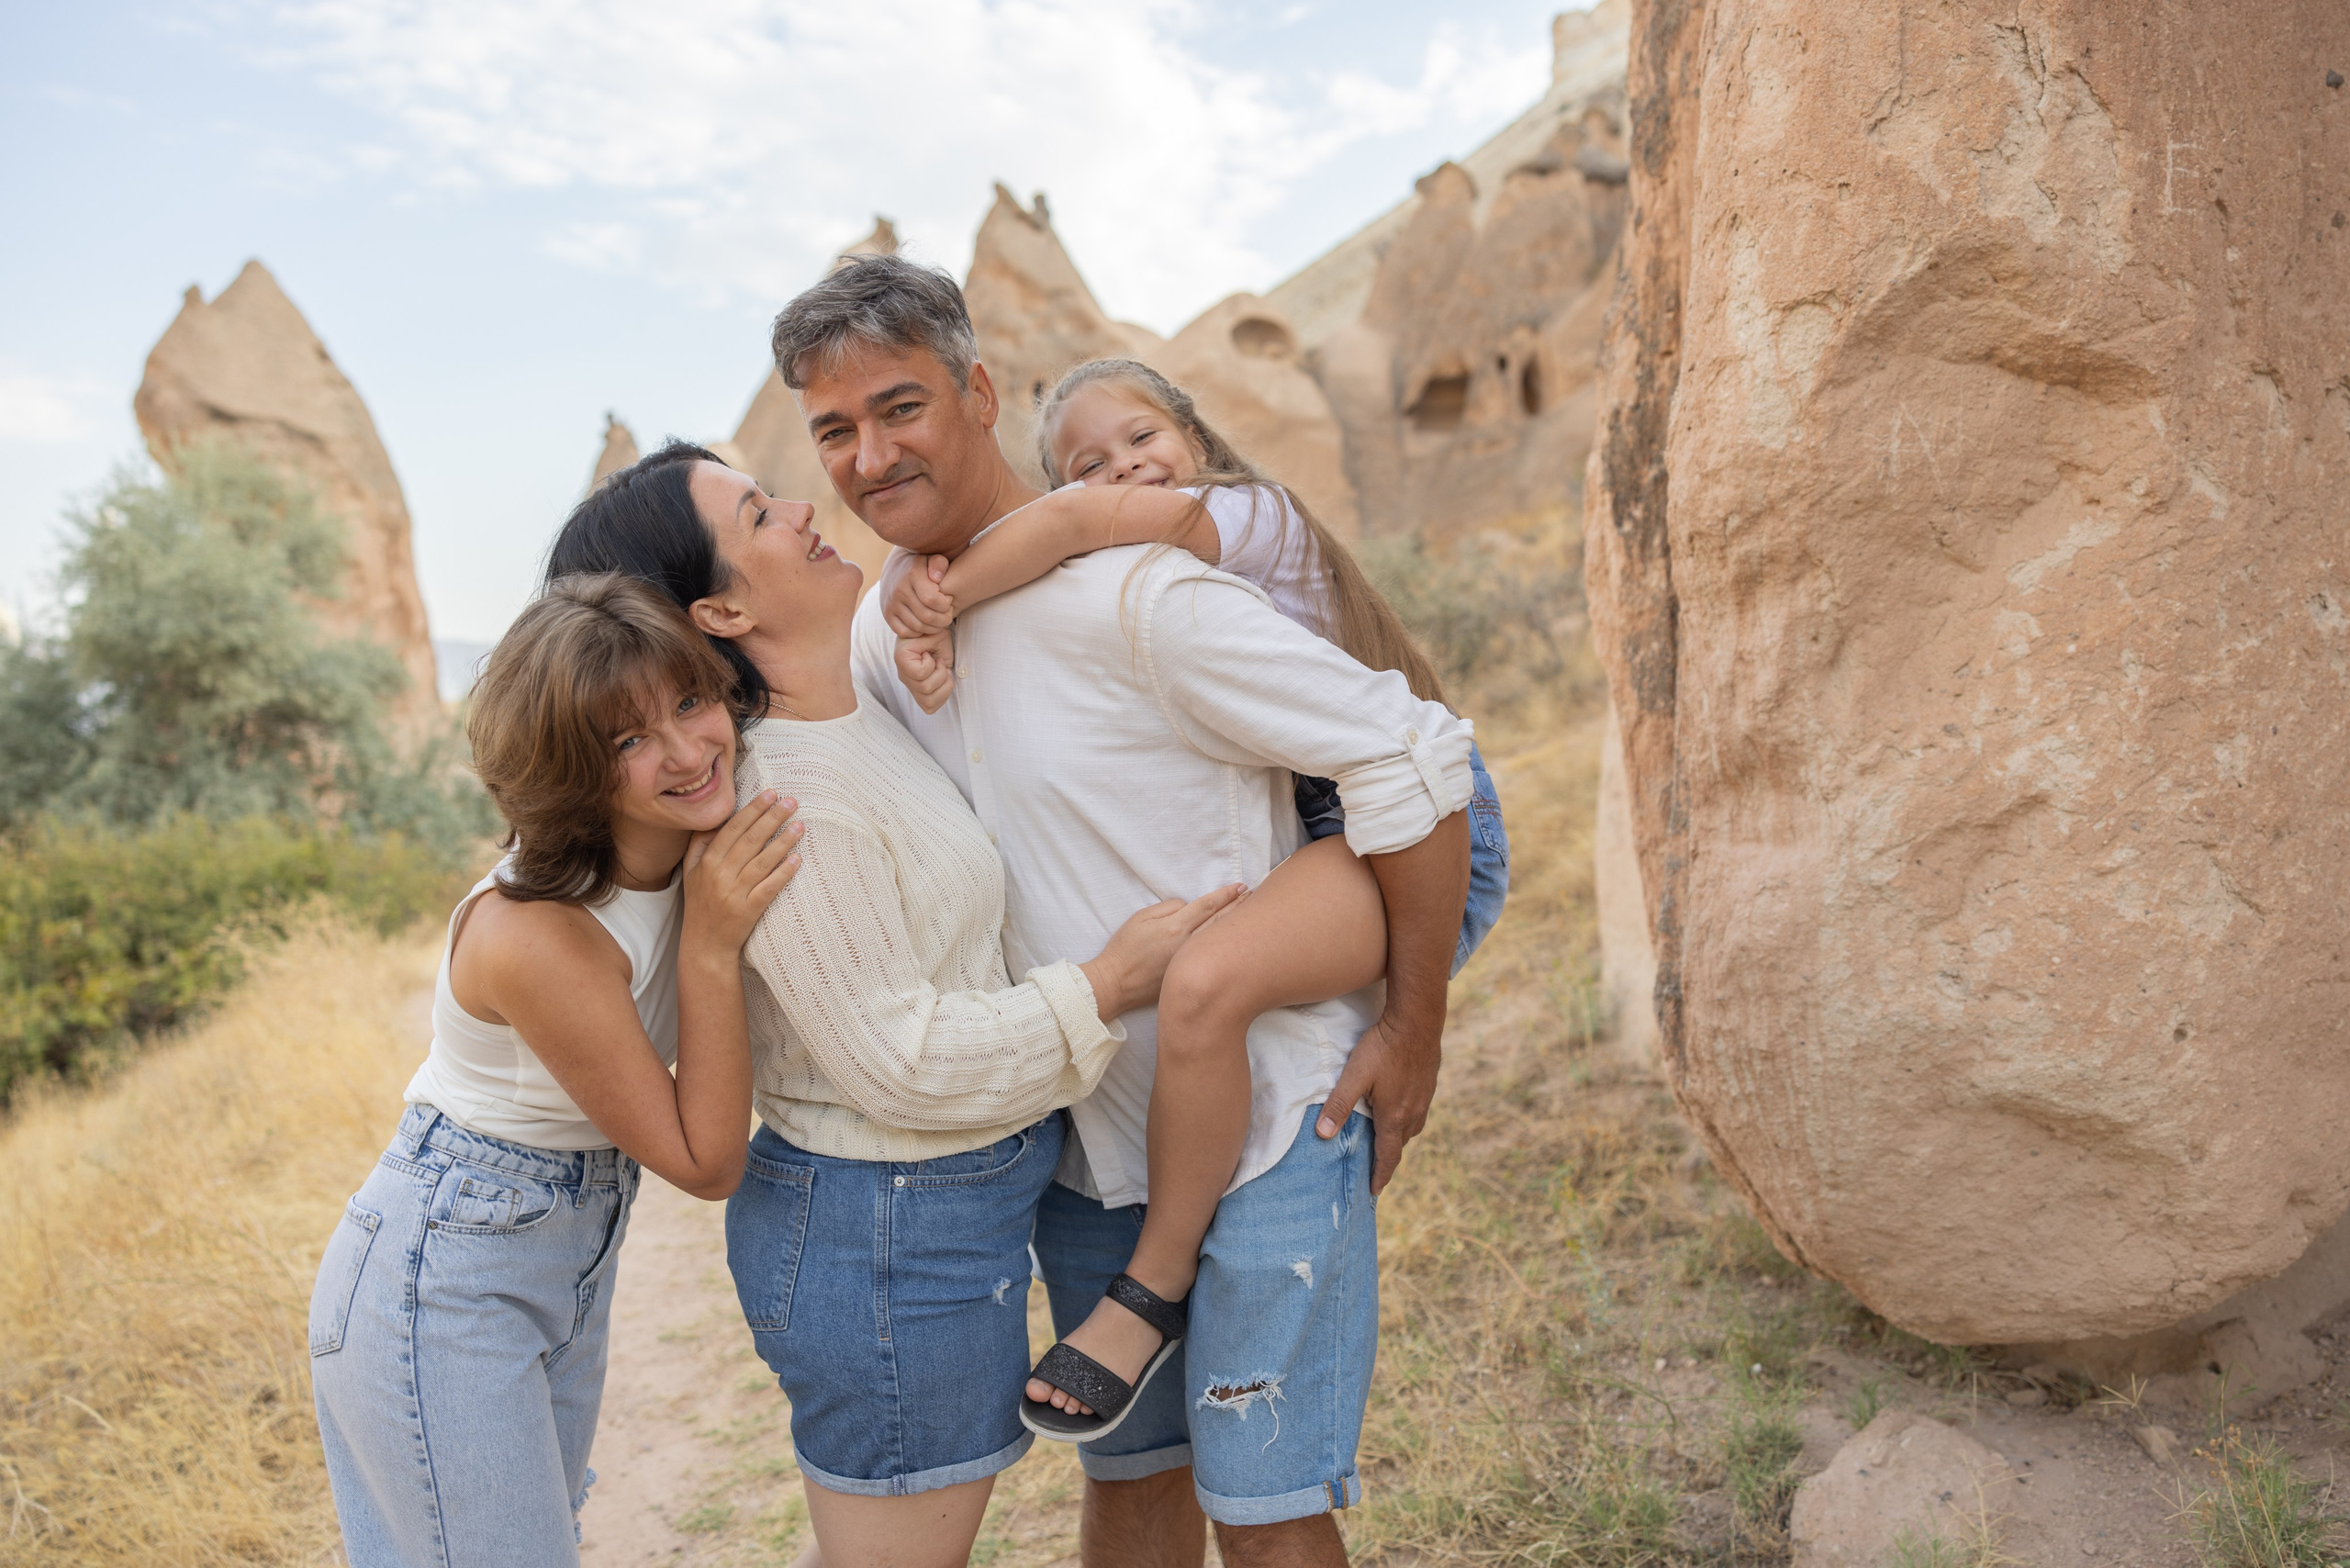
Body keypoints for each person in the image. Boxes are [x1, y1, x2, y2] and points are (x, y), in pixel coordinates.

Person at [774, 252, 1475, 1567]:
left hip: (1272, 1118)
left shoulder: (1132, 593)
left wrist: (1414, 1029)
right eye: (834, 430)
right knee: (1136, 1490)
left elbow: (1414, 756)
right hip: (1091, 1141)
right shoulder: (879, 639)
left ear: (980, 395)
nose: (868, 456)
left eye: (900, 408)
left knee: (1265, 1518)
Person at [543, 444, 1246, 1568]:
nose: (804, 509)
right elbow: (899, 1059)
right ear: (720, 606)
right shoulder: (784, 799)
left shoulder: (849, 713)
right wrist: (1107, 984)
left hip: (926, 1211)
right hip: (885, 1227)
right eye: (762, 513)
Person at [879, 356, 1510, 1439]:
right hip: (1329, 825)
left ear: (1197, 439)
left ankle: (1151, 1289)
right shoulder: (1127, 550)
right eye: (1089, 460)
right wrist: (913, 580)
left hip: (1416, 815)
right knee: (1208, 979)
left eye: (1141, 439)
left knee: (1208, 979)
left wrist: (933, 596)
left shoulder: (1247, 514)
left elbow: (1070, 526)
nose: (1123, 468)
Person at [308, 574, 805, 1568]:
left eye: (689, 701)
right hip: (443, 1271)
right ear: (572, 769)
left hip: (562, 1253)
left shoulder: (689, 841)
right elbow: (706, 1161)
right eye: (628, 742)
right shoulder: (540, 935)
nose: (685, 751)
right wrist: (710, 945)